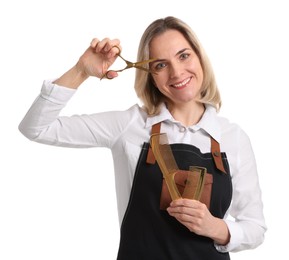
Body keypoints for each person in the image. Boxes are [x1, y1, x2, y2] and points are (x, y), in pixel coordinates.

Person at [19, 16, 266, 259]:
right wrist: (81, 71)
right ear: (150, 75)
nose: (177, 72)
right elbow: (36, 128)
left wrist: (216, 228)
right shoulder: (130, 126)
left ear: (200, 57)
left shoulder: (233, 137)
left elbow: (255, 228)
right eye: (160, 65)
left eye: (183, 55)